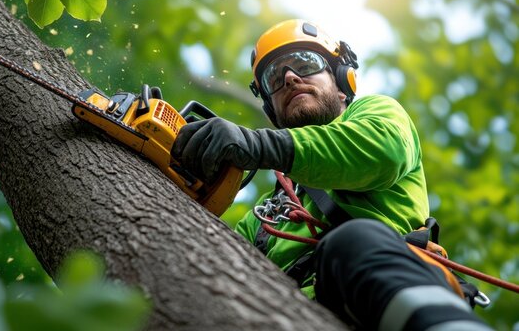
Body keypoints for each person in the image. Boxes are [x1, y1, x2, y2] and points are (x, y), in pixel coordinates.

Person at [171, 19, 491, 330]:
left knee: (351, 241)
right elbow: (214, 260)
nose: (291, 79)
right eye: (275, 78)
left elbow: (381, 153)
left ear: (341, 82)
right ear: (272, 110)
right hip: (285, 316)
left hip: (374, 294)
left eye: (306, 64)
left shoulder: (376, 113)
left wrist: (256, 144)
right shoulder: (264, 217)